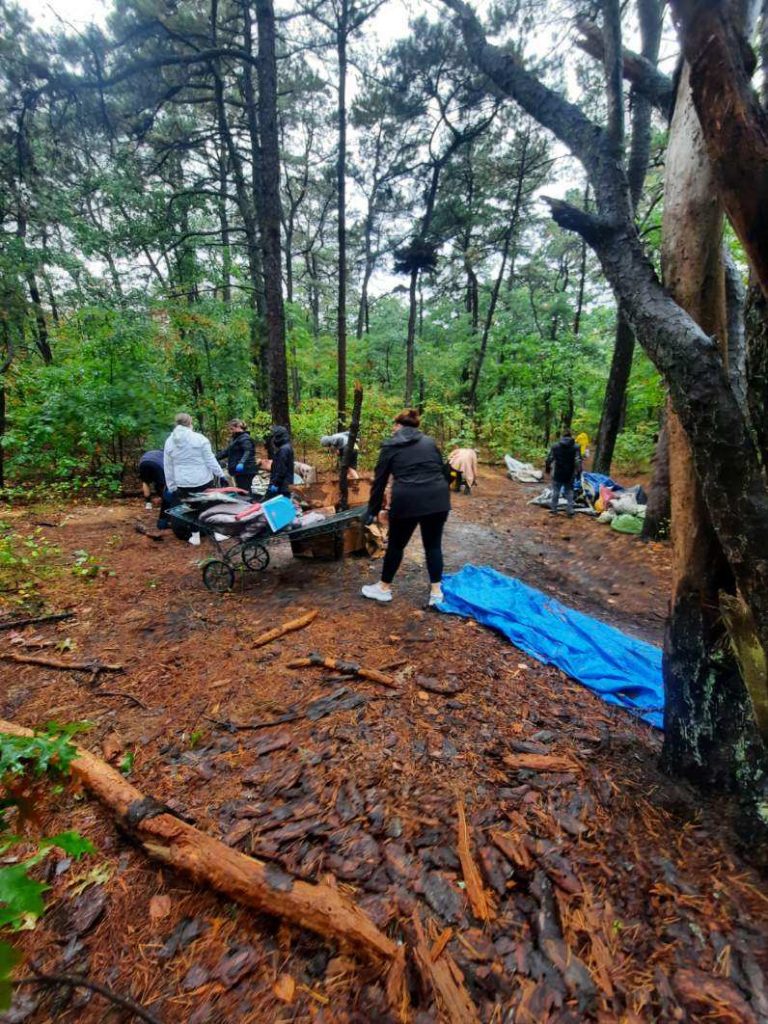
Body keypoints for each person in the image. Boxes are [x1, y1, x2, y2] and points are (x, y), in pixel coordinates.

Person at [361, 409, 450, 608]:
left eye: (394, 426)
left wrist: (372, 511)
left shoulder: (390, 445)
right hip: (438, 499)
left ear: (398, 426)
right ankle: (436, 593)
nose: (393, 429)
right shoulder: (429, 442)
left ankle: (384, 588)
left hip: (407, 499)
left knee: (396, 545)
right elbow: (443, 471)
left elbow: (380, 481)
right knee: (433, 546)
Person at [163, 413, 225, 544]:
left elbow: (168, 466)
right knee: (210, 506)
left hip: (182, 482)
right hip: (202, 479)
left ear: (177, 424)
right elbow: (210, 460)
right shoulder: (200, 438)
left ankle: (195, 537)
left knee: (191, 508)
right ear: (190, 423)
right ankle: (218, 533)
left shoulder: (169, 442)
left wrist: (171, 485)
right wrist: (220, 474)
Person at [545, 429, 582, 517]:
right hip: (570, 473)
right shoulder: (576, 447)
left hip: (557, 472)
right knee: (569, 491)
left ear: (562, 436)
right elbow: (577, 461)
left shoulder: (555, 446)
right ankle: (570, 511)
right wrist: (579, 472)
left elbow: (550, 458)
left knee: (556, 491)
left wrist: (547, 468)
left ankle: (554, 510)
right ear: (571, 436)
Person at [218, 419, 257, 492]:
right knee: (242, 489)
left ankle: (249, 503)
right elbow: (227, 452)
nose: (230, 431)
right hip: (240, 471)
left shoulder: (245, 438)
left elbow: (248, 451)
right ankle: (248, 502)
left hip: (246, 470)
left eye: (232, 429)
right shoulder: (236, 439)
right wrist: (214, 457)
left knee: (244, 490)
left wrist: (241, 462)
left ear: (238, 427)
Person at [138, 449, 171, 528]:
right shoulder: (163, 455)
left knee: (145, 482)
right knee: (163, 484)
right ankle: (164, 501)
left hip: (143, 463)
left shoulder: (149, 453)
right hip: (157, 465)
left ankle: (148, 503)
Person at [261, 425, 295, 498]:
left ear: (279, 436)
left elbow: (281, 469)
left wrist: (276, 484)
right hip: (284, 485)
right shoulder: (285, 447)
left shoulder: (284, 450)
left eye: (274, 436)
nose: (273, 439)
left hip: (282, 486)